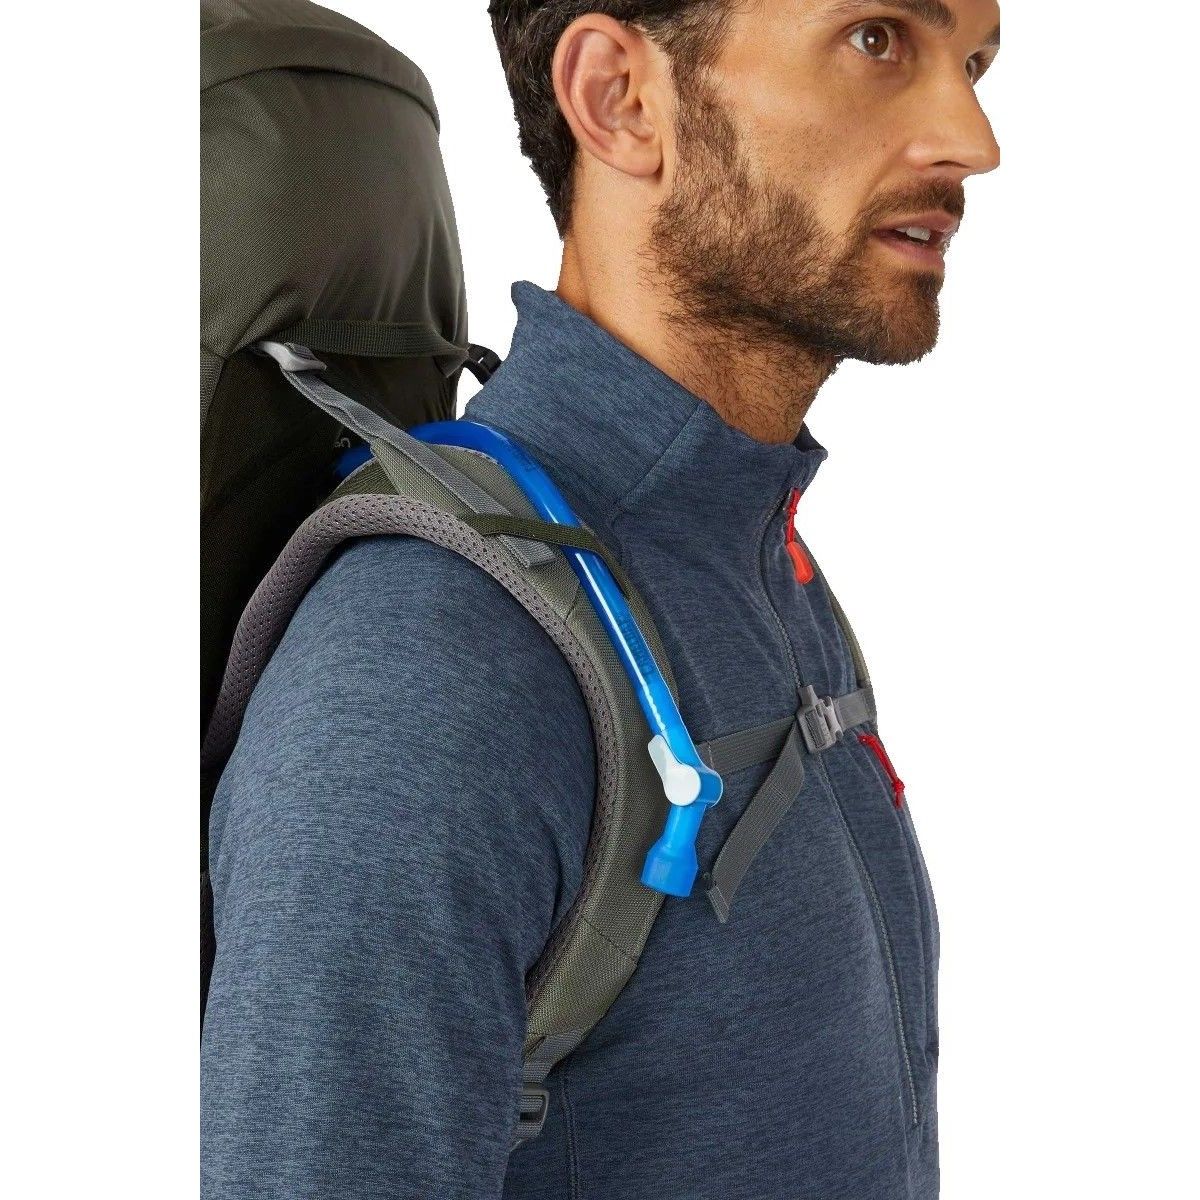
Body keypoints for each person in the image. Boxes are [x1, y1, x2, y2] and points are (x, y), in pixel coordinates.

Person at [200, 1, 1000, 1196]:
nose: (973, 139)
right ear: (621, 100)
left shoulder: (744, 554)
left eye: (975, 62)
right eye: (879, 40)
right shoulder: (433, 671)